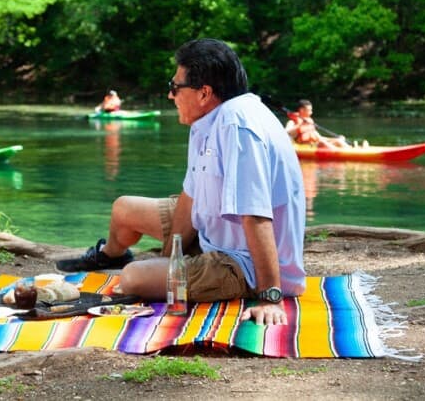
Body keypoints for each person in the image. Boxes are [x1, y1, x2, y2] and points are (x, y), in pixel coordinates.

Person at [57, 38, 306, 325]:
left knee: (133, 278)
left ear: (204, 93)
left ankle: (258, 284)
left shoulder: (238, 126)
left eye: (175, 88)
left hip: (244, 263)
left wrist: (269, 298)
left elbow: (256, 215)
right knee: (124, 209)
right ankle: (109, 256)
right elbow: (190, 197)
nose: (170, 95)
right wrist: (169, 259)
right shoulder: (206, 121)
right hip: (215, 233)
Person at [285, 99, 349, 149]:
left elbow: (319, 137)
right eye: (309, 110)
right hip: (305, 146)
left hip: (316, 144)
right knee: (322, 143)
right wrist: (300, 124)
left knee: (339, 141)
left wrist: (336, 139)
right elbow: (286, 132)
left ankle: (350, 150)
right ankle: (338, 153)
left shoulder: (309, 122)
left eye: (311, 110)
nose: (311, 112)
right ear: (301, 110)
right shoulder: (292, 122)